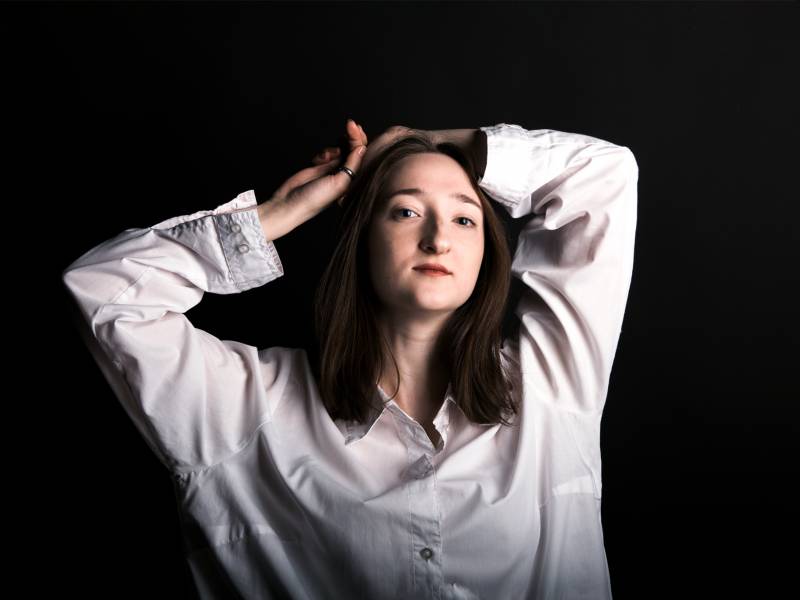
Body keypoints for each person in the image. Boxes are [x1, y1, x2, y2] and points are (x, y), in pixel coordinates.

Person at [62, 118, 638, 599]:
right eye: (405, 212)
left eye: (464, 218)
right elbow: (104, 290)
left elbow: (604, 174)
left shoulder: (550, 385)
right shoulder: (244, 408)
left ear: (486, 255)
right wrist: (284, 211)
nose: (438, 238)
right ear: (361, 241)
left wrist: (424, 140)